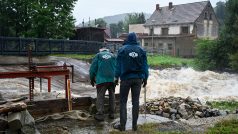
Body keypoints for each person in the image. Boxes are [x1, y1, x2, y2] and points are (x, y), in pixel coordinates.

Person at [114, 32, 149, 131]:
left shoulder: (122, 50)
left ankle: (122, 126)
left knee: (123, 102)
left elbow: (118, 65)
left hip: (125, 79)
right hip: (138, 79)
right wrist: (145, 78)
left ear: (128, 39)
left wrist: (116, 77)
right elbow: (145, 66)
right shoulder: (142, 50)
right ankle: (134, 125)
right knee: (135, 102)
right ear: (136, 39)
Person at [89, 46, 116, 121]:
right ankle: (112, 113)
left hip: (101, 80)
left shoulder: (98, 55)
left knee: (100, 96)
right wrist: (117, 79)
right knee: (112, 96)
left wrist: (92, 79)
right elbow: (117, 67)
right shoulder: (113, 56)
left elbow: (92, 69)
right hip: (112, 79)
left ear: (100, 50)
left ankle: (100, 114)